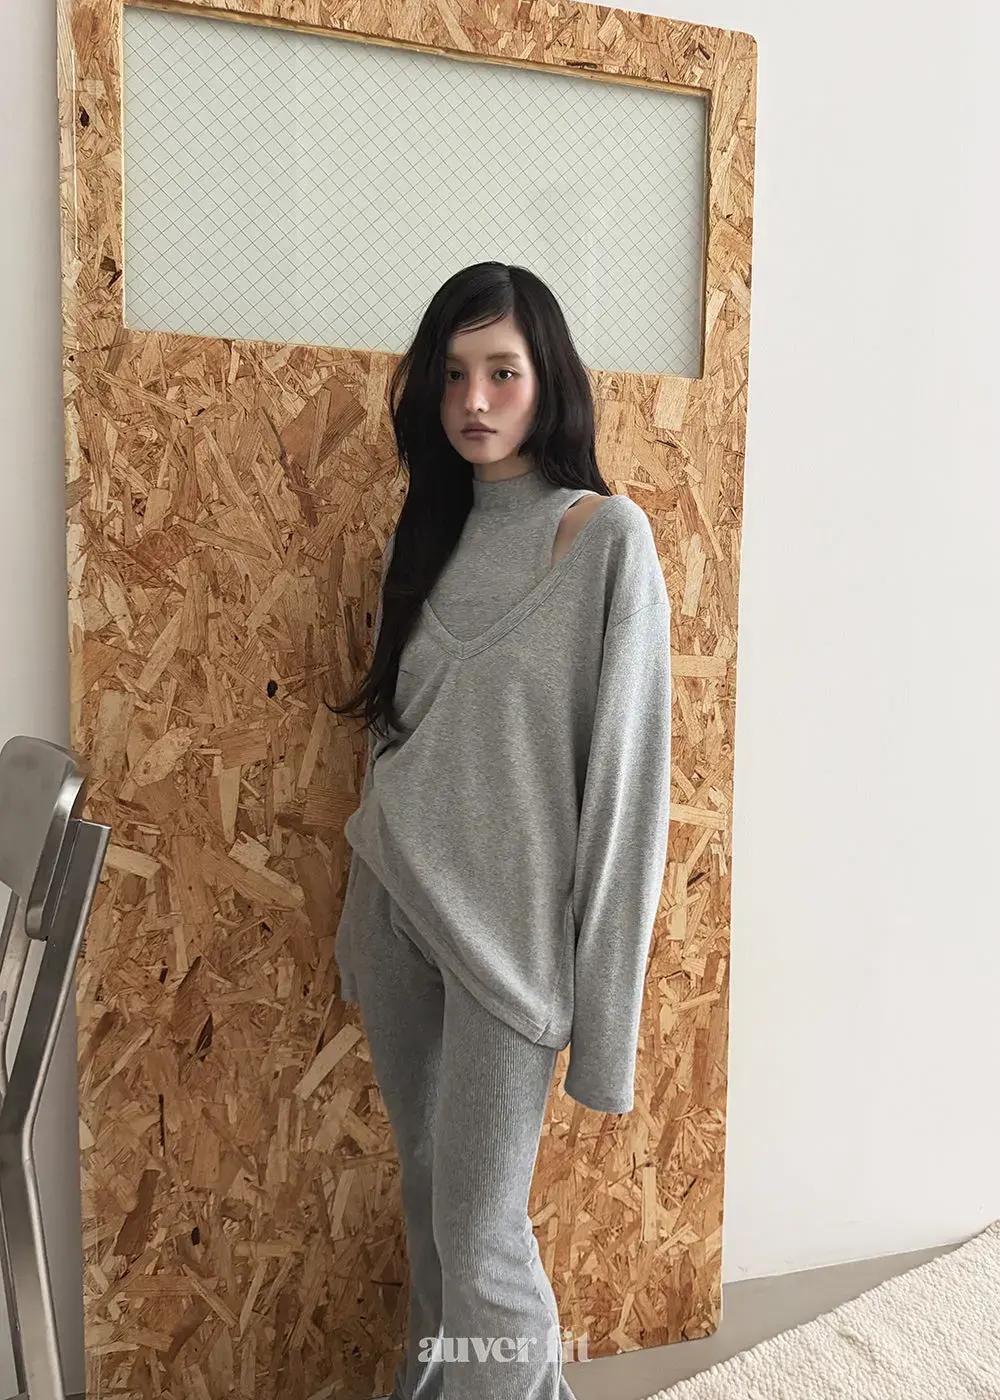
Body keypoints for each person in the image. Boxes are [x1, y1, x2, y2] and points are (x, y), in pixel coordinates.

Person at [328, 262, 672, 1400]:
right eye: (453, 373)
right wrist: (357, 917)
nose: (474, 399)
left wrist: (606, 1031)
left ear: (546, 380)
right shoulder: (425, 535)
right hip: (394, 915)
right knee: (431, 1200)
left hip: (510, 954)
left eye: (503, 372)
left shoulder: (605, 541)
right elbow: (391, 737)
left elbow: (626, 794)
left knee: (482, 1239)